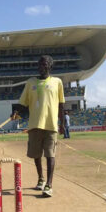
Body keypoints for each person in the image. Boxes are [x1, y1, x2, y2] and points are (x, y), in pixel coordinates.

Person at [16, 55, 65, 197]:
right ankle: (41, 179)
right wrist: (15, 112)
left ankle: (49, 185)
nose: (41, 66)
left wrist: (61, 124)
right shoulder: (30, 82)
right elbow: (22, 102)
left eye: (44, 64)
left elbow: (61, 104)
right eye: (39, 64)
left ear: (50, 66)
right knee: (36, 155)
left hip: (51, 124)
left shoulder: (57, 82)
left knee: (50, 154)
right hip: (34, 124)